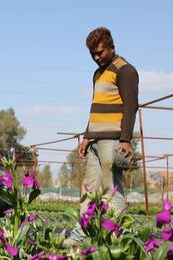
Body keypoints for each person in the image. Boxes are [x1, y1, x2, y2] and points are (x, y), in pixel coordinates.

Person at [66, 27, 139, 245]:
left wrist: (126, 140)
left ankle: (117, 236)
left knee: (111, 187)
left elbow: (130, 107)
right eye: (93, 55)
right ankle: (82, 235)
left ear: (111, 48)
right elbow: (95, 108)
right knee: (89, 190)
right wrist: (87, 136)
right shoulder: (98, 74)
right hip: (95, 140)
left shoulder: (125, 70)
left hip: (113, 139)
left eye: (100, 53)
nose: (97, 58)